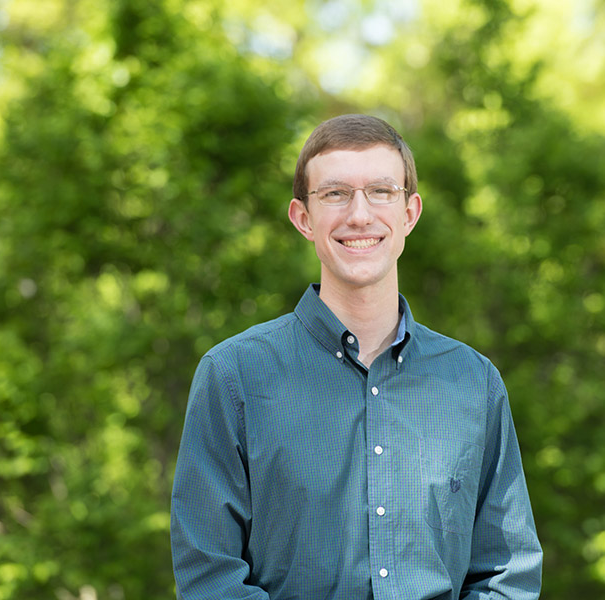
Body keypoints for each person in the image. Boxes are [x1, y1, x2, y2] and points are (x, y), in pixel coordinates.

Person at [170, 114, 542, 599]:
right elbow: (209, 578)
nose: (360, 215)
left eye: (381, 191)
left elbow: (505, 575)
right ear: (304, 218)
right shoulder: (234, 376)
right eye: (335, 193)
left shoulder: (473, 382)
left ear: (410, 213)